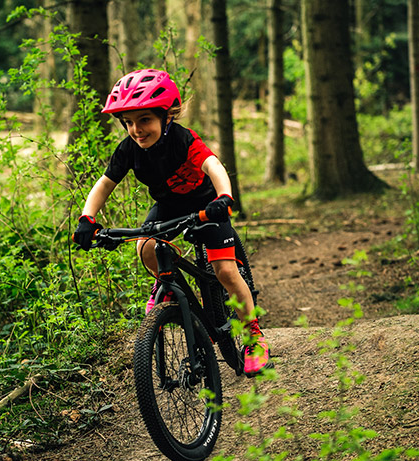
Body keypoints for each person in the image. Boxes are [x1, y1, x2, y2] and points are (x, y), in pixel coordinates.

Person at [71, 68, 270, 376]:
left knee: (226, 271)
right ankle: (166, 281)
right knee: (146, 247)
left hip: (207, 206)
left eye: (145, 120)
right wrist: (87, 217)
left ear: (167, 116)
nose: (136, 130)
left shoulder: (183, 140)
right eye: (129, 123)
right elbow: (105, 183)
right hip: (168, 207)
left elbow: (213, 165)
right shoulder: (128, 149)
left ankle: (253, 336)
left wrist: (224, 197)